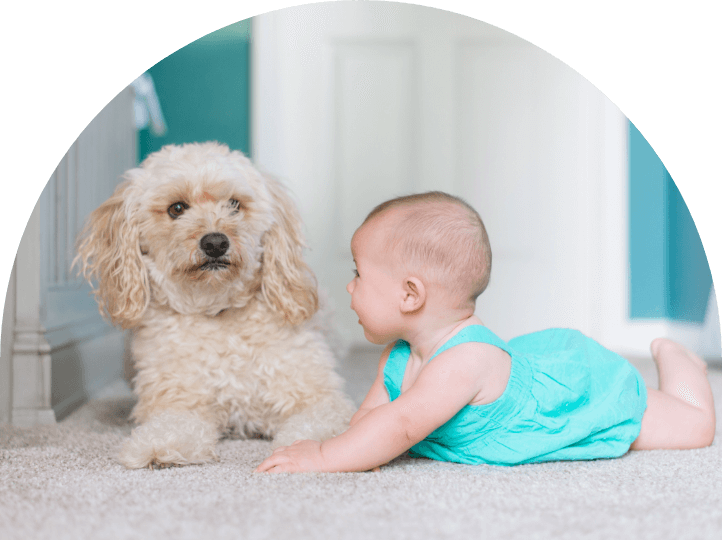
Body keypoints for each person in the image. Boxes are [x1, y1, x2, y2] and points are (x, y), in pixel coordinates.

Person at [255, 191, 716, 473]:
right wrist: (348, 448)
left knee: (694, 428)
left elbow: (400, 425)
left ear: (410, 295)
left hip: (575, 392)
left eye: (359, 275)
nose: (349, 287)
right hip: (522, 366)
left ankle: (679, 360)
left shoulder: (463, 363)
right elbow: (372, 424)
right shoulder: (398, 356)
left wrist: (322, 457)